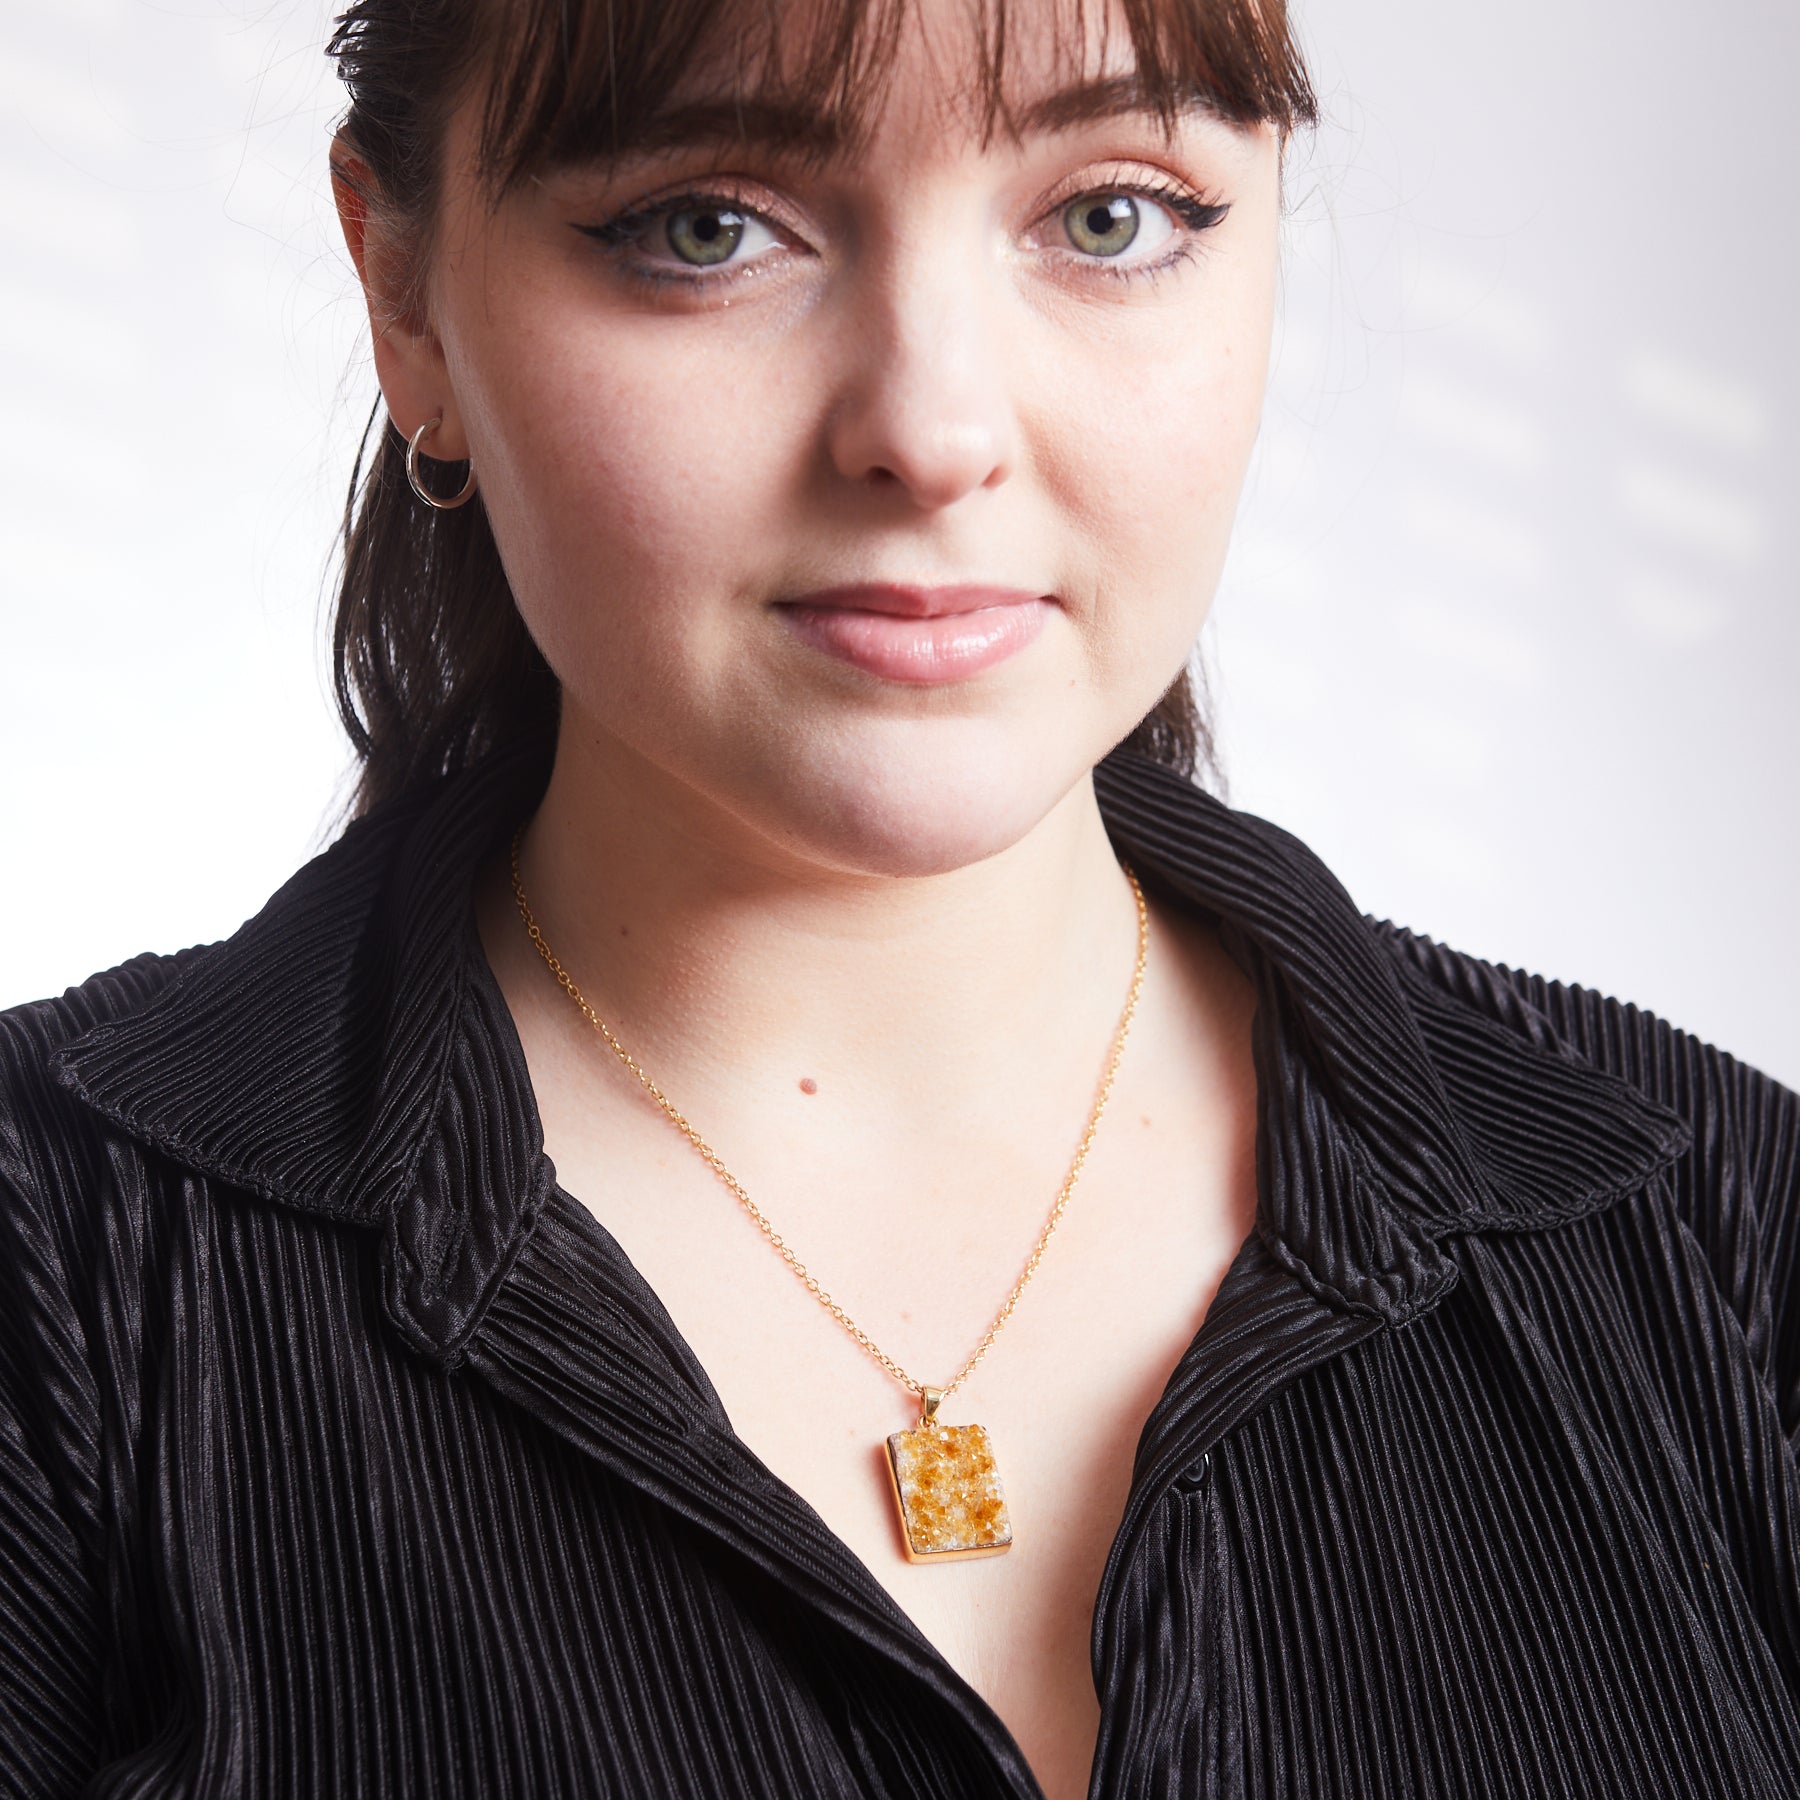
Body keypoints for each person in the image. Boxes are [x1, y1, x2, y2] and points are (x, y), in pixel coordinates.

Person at [2, 0, 1796, 1794]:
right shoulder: (61, 1280)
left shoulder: (1711, 1227)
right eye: (709, 224)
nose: (932, 435)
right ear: (406, 297)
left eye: (1113, 215)